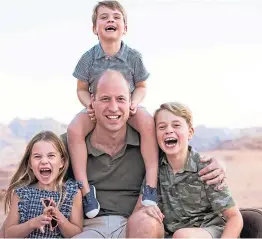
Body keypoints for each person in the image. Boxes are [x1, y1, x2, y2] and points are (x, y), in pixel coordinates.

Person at [63, 69, 226, 238]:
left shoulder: (149, 142)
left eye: (120, 99)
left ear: (130, 102)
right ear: (92, 101)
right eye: (105, 99)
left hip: (134, 223)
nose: (113, 107)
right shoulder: (73, 143)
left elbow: (182, 156)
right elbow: (40, 160)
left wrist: (220, 163)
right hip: (90, 227)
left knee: (147, 222)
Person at [67, 0, 159, 219]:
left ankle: (151, 185)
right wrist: (87, 104)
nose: (111, 20)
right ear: (94, 28)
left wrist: (134, 102)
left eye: (116, 17)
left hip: (127, 106)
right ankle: (86, 191)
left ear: (124, 28)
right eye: (104, 17)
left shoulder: (133, 57)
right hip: (98, 108)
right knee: (74, 129)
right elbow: (80, 89)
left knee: (147, 122)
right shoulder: (88, 58)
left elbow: (142, 86)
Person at [140, 102, 243, 238]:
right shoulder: (155, 169)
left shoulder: (207, 169)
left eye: (176, 125)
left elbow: (234, 217)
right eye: (162, 127)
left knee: (183, 236)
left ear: (190, 132)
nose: (169, 130)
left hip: (210, 231)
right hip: (172, 234)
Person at [3, 131, 83, 238]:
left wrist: (58, 217)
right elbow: (9, 234)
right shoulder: (22, 193)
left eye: (51, 156)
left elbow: (77, 234)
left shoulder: (72, 192)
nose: (44, 161)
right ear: (30, 164)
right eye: (37, 156)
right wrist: (32, 223)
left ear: (62, 162)